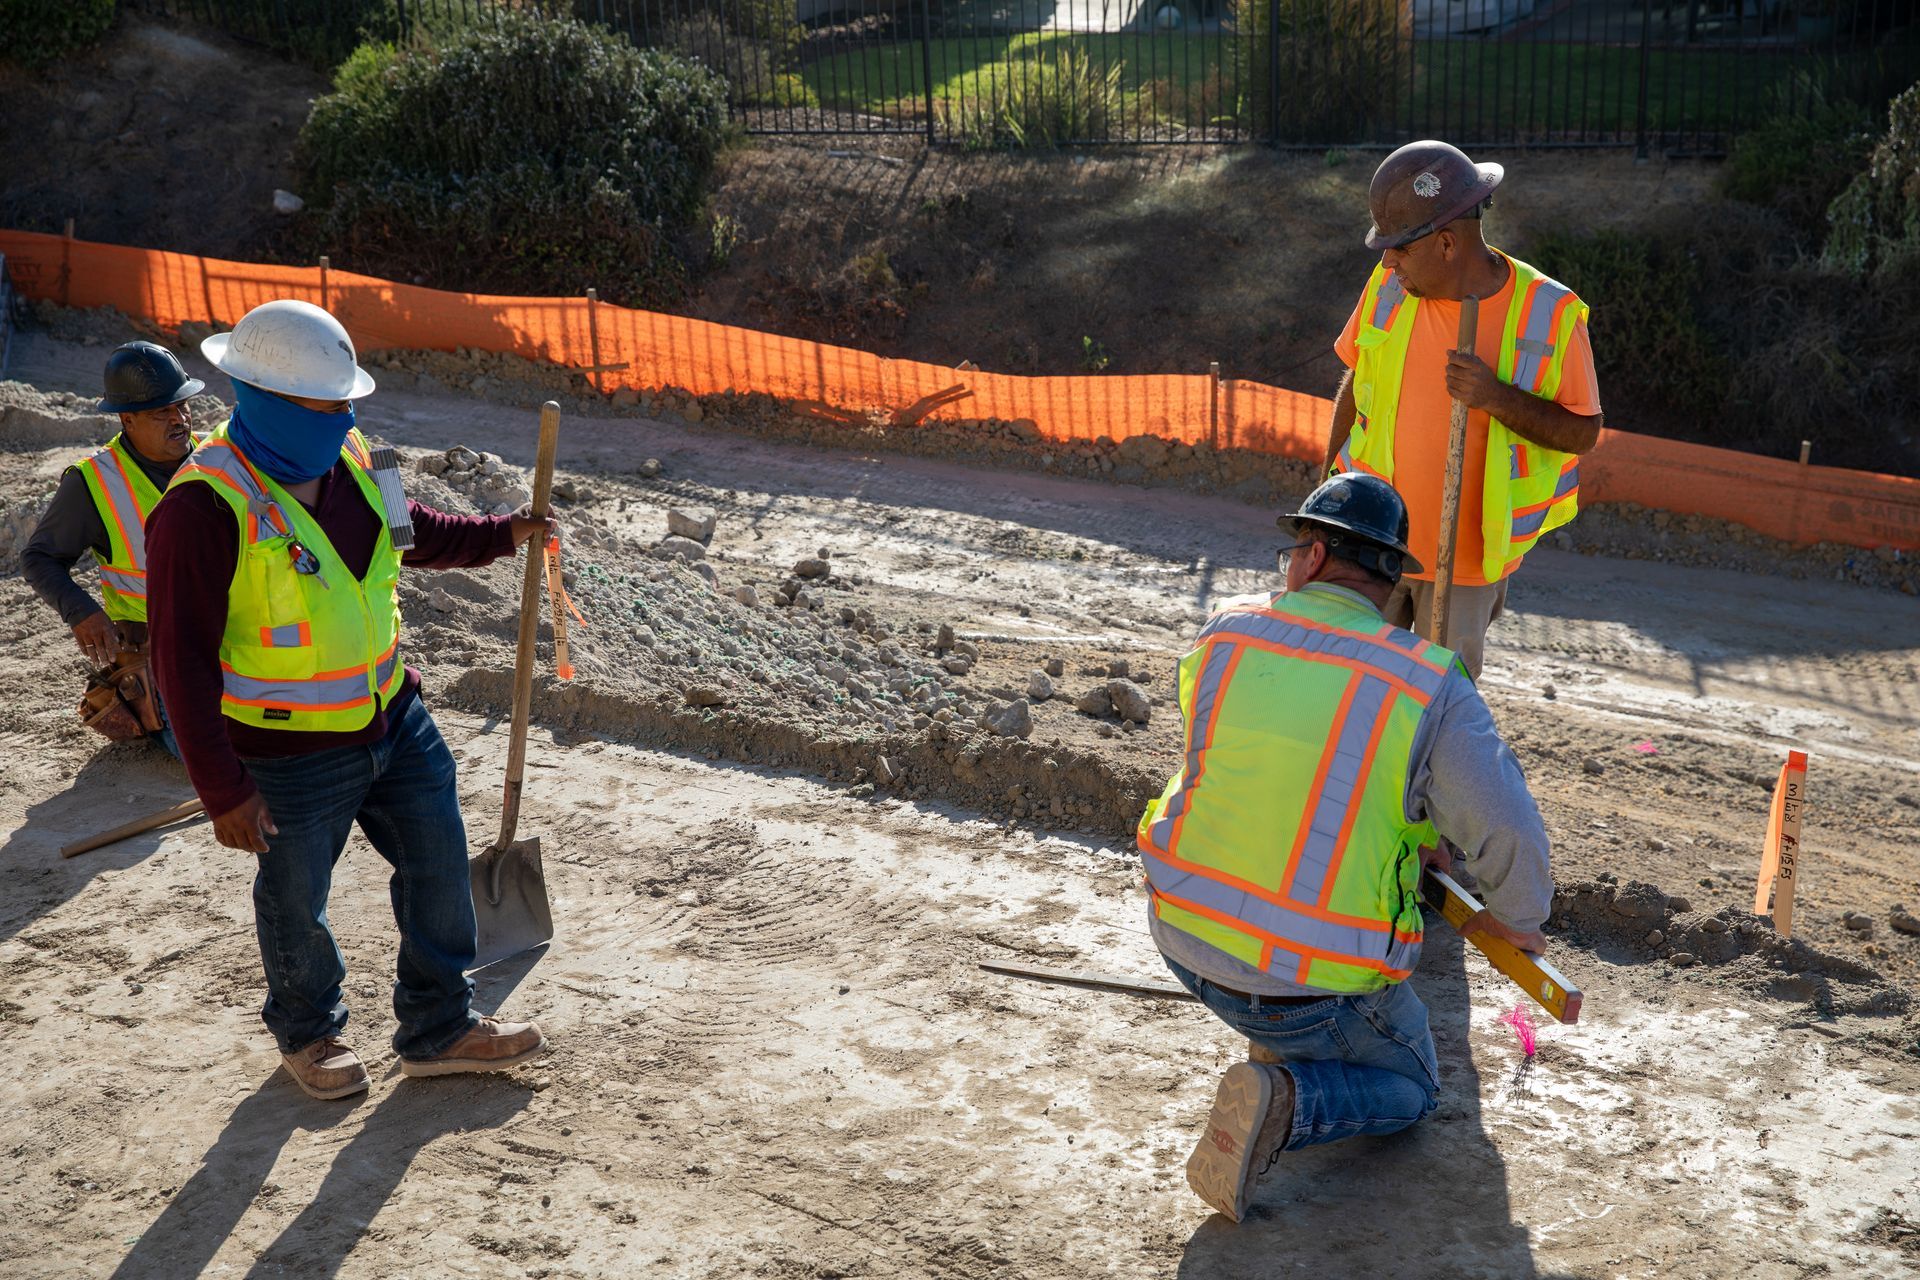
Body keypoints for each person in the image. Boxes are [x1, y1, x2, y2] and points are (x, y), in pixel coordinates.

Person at [147, 299, 550, 1102]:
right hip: (286, 749)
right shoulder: (200, 508)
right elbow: (179, 662)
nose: (343, 417)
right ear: (260, 397)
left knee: (437, 868)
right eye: (327, 405)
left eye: (346, 403)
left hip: (392, 715)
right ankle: (308, 1031)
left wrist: (501, 535)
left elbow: (413, 533)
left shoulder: (357, 453)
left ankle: (438, 1027)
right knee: (297, 898)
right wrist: (222, 788)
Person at [1137, 472, 1556, 1223]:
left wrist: (1419, 835)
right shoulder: (1426, 683)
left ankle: (1281, 1042)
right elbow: (1506, 827)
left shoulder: (1223, 634)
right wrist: (1518, 921)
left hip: (1179, 936)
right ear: (1393, 582)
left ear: (1313, 555)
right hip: (1306, 988)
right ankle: (1290, 1102)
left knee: (1293, 997)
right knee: (1413, 1087)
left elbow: (1286, 767)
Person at [1324, 139, 1604, 678]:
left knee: (1434, 707)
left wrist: (1494, 396)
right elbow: (1356, 381)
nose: (1388, 260)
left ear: (1447, 243)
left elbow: (1583, 433)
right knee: (1347, 684)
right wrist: (1323, 495)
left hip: (1462, 565)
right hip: (1367, 539)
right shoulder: (1389, 286)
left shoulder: (1548, 311)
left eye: (1401, 247)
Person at [22, 341, 206, 754]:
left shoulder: (219, 460)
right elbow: (39, 558)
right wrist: (81, 612)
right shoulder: (94, 484)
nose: (179, 419)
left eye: (183, 406)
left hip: (236, 641)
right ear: (127, 420)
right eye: (162, 412)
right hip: (164, 655)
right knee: (208, 749)